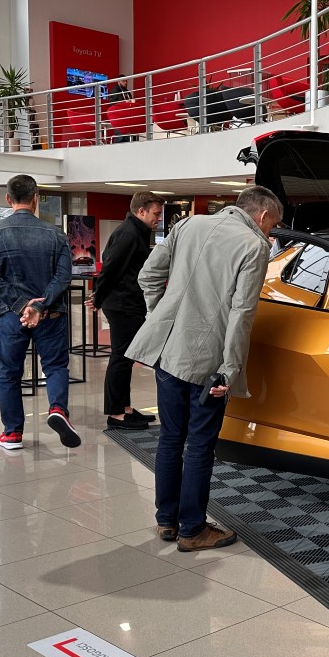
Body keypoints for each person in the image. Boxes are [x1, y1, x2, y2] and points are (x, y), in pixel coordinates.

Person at [127, 186, 283, 552]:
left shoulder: (188, 225)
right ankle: (193, 530)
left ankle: (167, 521)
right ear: (262, 216)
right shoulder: (254, 246)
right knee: (198, 445)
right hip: (207, 362)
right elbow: (242, 314)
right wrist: (230, 370)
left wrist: (161, 316)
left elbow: (148, 276)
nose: (270, 233)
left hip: (168, 351)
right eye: (272, 225)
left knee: (170, 438)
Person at [0, 174, 82, 452]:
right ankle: (58, 409)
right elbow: (63, 277)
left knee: (9, 373)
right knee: (55, 366)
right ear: (36, 198)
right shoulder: (57, 235)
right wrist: (39, 306)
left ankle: (12, 434)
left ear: (8, 199)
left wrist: (21, 305)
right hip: (51, 314)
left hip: (11, 315)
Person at [91, 189, 165, 430]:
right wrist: (98, 297)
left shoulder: (137, 231)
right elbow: (110, 268)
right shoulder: (128, 233)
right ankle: (116, 414)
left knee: (127, 357)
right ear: (141, 211)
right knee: (121, 358)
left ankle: (125, 408)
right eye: (156, 214)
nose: (158, 219)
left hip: (129, 303)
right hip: (122, 305)